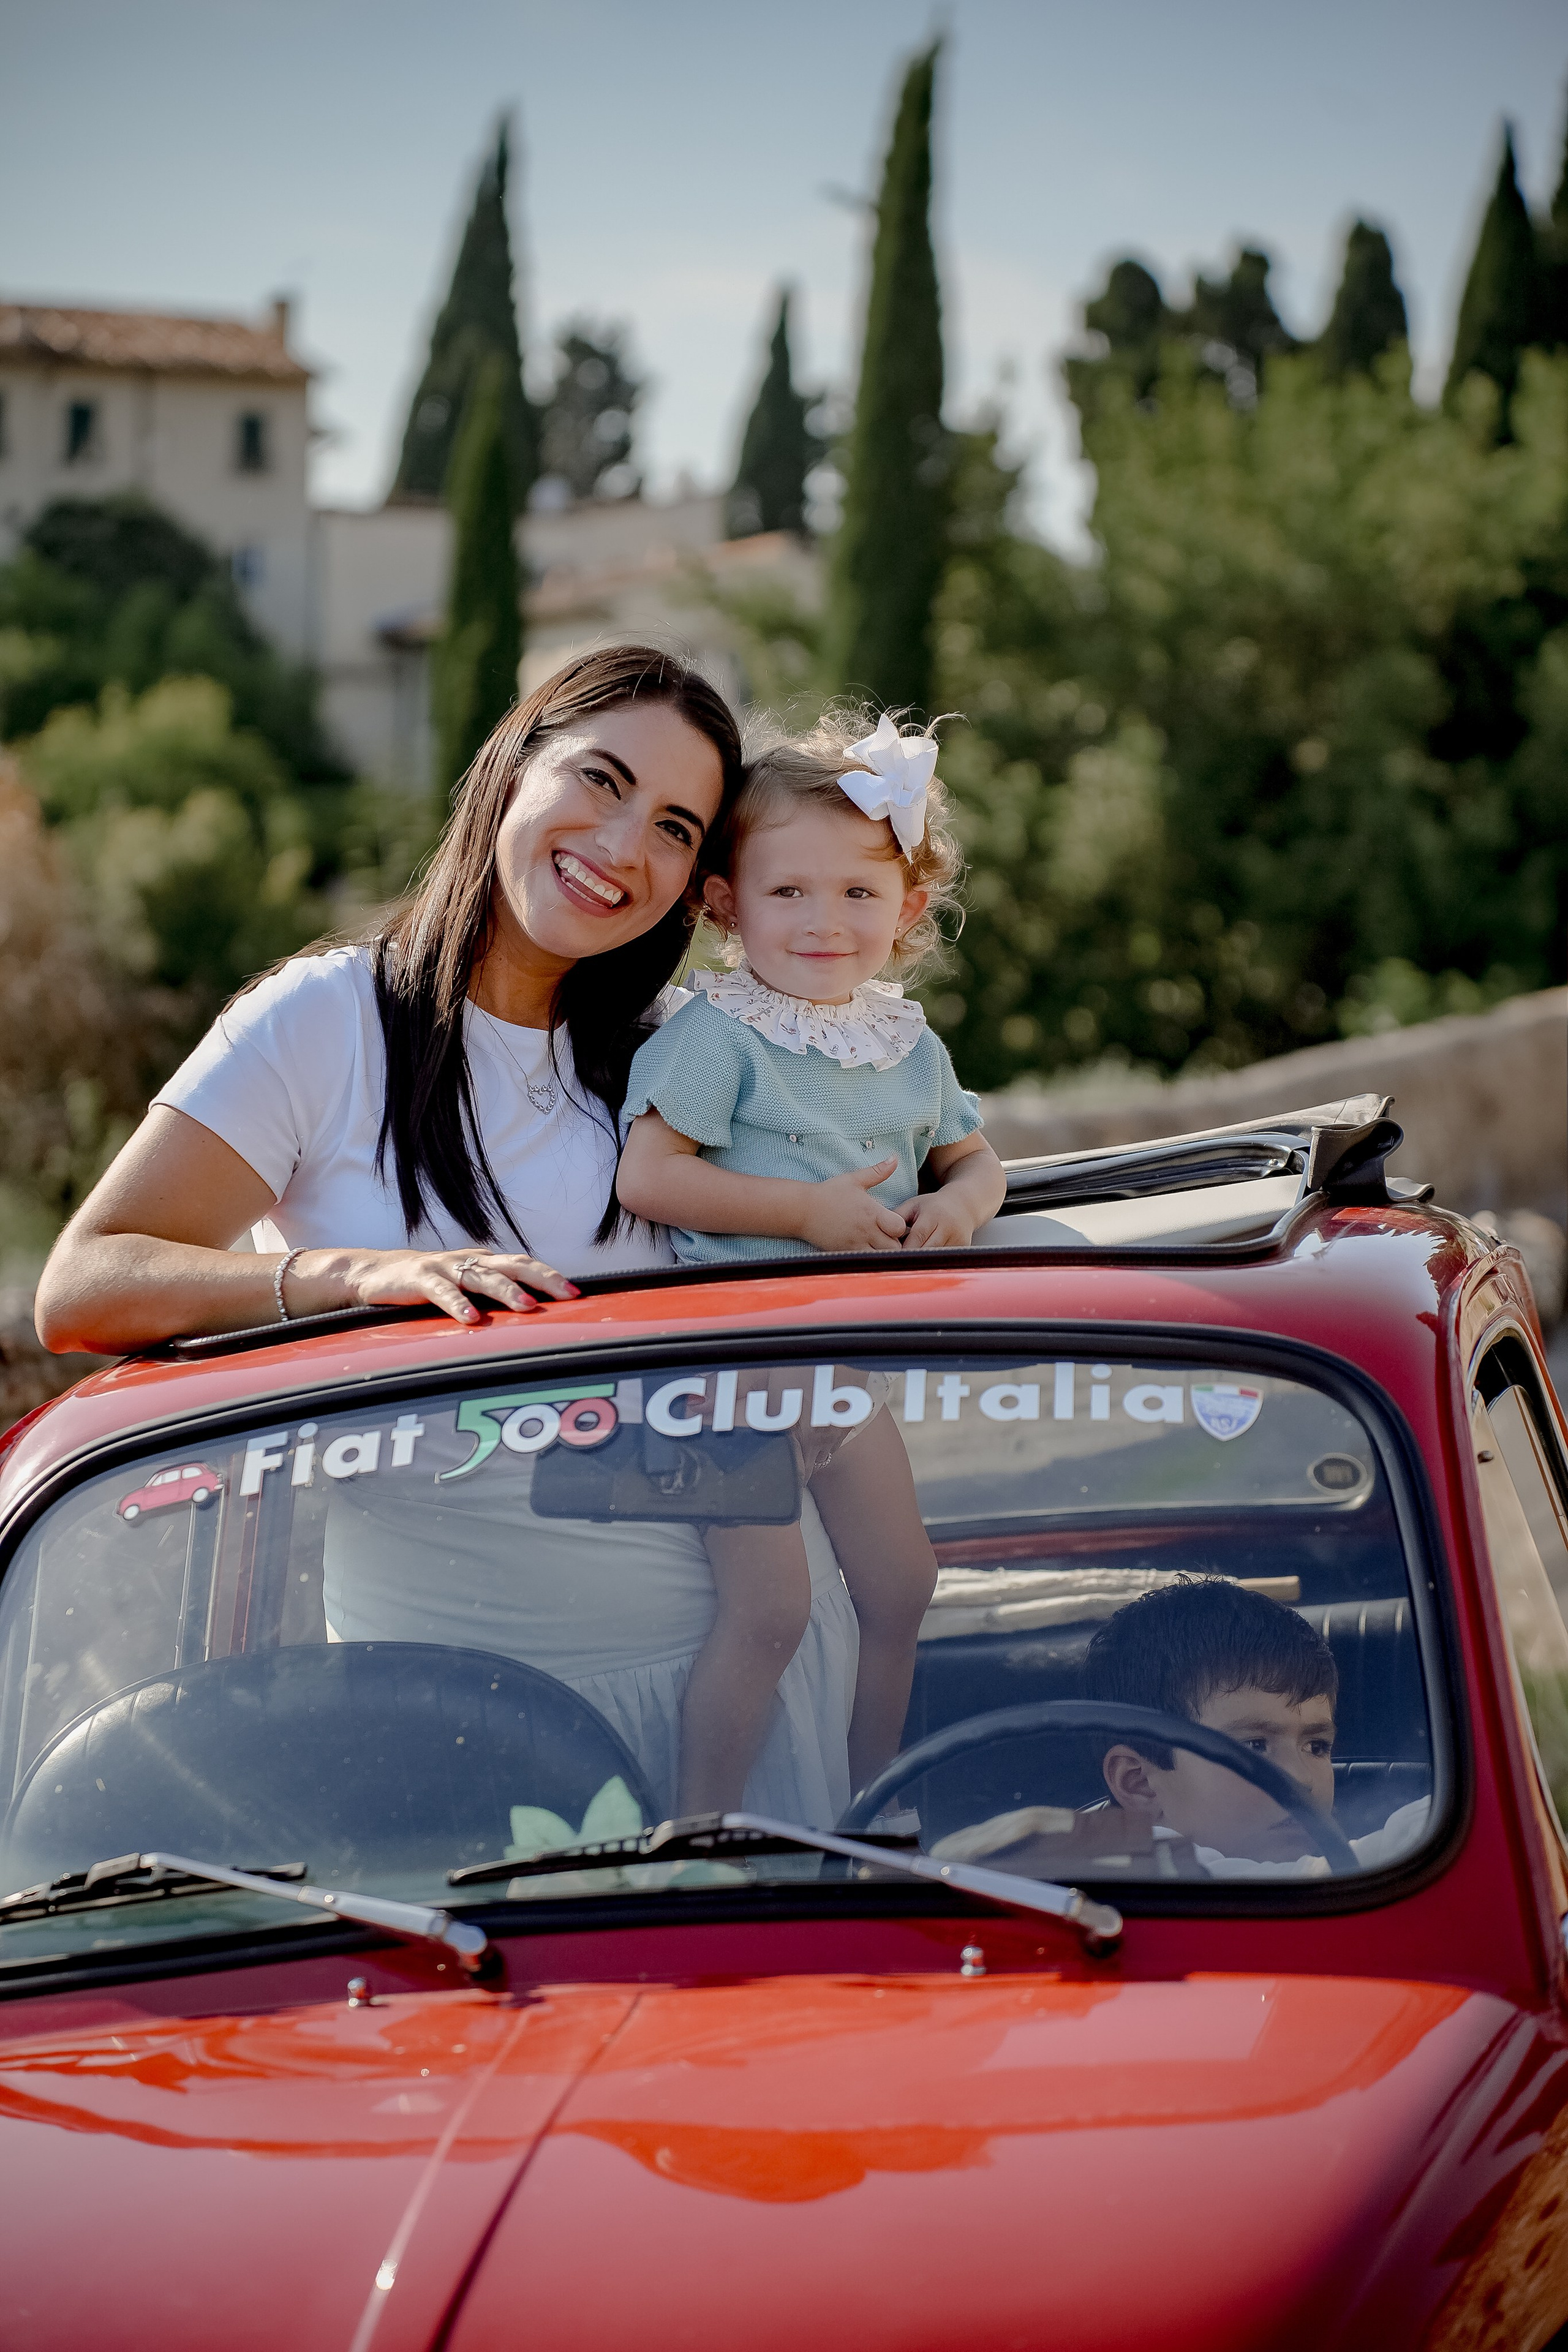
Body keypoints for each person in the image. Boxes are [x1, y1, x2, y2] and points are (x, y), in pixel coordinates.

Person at [30, 649, 863, 1828]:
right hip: (436, 1707)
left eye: (676, 827)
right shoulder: (322, 1021)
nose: (626, 846)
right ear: (513, 764)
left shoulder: (688, 1051)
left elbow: (846, 1235)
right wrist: (358, 1277)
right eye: (602, 779)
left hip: (732, 1683)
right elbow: (84, 1285)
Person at [614, 709, 1006, 1812]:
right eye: (788, 892)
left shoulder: (905, 1044)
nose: (824, 922)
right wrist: (802, 1214)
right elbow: (648, 1176)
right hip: (730, 1376)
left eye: (857, 894)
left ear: (908, 909)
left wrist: (962, 1211)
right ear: (727, 903)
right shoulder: (719, 1034)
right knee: (772, 1613)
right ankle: (700, 1827)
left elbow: (978, 1164)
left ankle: (876, 1804)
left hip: (844, 1370)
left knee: (905, 1584)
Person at [1083, 1577, 1430, 1878]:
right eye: (1254, 1747)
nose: (1302, 1779)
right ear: (1140, 1783)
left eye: (1316, 1746)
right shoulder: (1129, 1869)